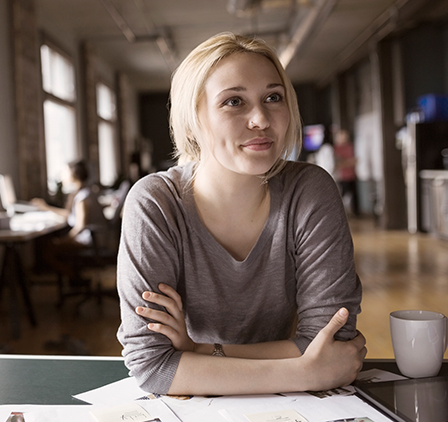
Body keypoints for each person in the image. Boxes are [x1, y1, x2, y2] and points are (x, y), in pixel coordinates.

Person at [117, 32, 366, 396]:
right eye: (234, 101)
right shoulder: (155, 203)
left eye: (273, 97)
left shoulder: (310, 190)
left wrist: (198, 352)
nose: (261, 119)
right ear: (193, 119)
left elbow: (331, 343)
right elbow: (152, 367)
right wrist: (305, 373)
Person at [32, 159, 108, 277]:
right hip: (94, 239)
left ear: (74, 174)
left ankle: (76, 278)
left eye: (65, 172)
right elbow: (71, 215)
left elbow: (80, 226)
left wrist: (64, 240)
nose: (62, 176)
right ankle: (75, 278)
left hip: (91, 241)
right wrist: (46, 208)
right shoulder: (85, 191)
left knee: (49, 251)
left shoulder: (82, 198)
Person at [334, 129, 360, 216]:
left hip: (352, 175)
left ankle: (356, 213)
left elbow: (355, 161)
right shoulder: (335, 149)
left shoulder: (350, 147)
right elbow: (337, 164)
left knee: (355, 197)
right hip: (342, 177)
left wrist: (346, 162)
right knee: (341, 196)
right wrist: (348, 162)